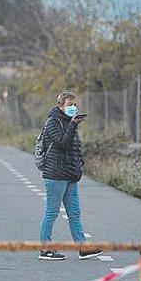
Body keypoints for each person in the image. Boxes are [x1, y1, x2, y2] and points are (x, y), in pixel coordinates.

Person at [36, 92, 103, 261]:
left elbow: (75, 149)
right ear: (60, 106)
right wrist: (73, 124)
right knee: (52, 211)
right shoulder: (54, 122)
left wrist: (78, 169)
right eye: (69, 105)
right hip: (55, 174)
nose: (73, 107)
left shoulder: (68, 122)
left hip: (70, 175)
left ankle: (82, 247)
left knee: (75, 213)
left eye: (75, 104)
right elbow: (61, 143)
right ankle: (45, 249)